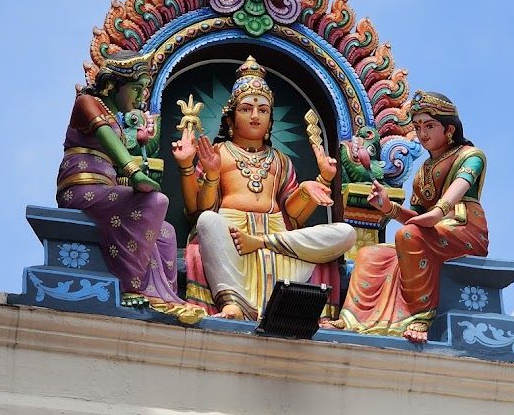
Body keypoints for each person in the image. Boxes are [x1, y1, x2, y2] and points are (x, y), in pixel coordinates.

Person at [173, 57, 356, 321]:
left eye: (263, 110)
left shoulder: (281, 160)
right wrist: (198, 170)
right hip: (233, 236)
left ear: (271, 120)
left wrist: (318, 182)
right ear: (230, 118)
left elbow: (293, 217)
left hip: (278, 241)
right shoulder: (219, 152)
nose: (255, 116)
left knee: (346, 233)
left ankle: (277, 291)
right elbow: (197, 210)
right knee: (207, 221)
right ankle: (233, 303)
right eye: (246, 109)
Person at [56, 51, 201, 322]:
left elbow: (120, 151)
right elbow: (107, 140)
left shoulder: (116, 119)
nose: (140, 97)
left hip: (105, 190)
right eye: (136, 89)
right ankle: (129, 286)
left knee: (166, 231)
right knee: (156, 202)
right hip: (82, 189)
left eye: (144, 90)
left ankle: (162, 296)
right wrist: (133, 172)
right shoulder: (87, 103)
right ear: (113, 85)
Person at [335, 91, 488, 342]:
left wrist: (438, 213)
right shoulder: (422, 172)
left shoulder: (470, 156)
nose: (422, 133)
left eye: (429, 125)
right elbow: (416, 217)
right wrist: (387, 208)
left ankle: (419, 317)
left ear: (449, 129)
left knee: (408, 236)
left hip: (465, 230)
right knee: (370, 253)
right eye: (417, 127)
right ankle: (353, 320)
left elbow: (460, 185)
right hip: (432, 233)